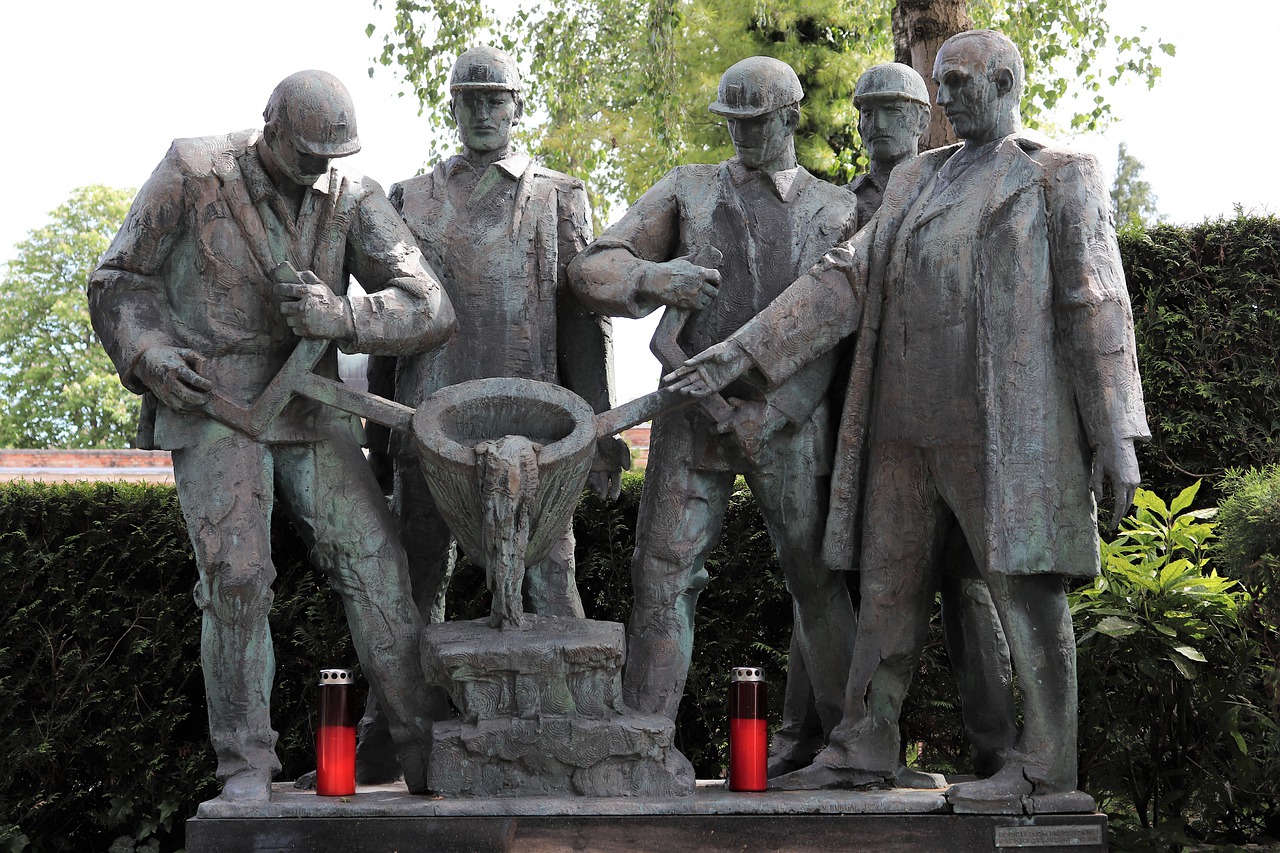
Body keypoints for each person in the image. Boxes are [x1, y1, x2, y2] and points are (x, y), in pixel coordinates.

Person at [669, 31, 1148, 799]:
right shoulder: (914, 180)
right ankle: (864, 742)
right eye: (942, 81)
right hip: (900, 424)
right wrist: (742, 353)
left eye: (958, 81)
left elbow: (1096, 304)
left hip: (1005, 427)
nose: (946, 95)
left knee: (1025, 588)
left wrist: (1116, 434)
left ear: (1003, 83)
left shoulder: (1060, 174)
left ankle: (1046, 763)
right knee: (886, 587)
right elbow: (844, 278)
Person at [88, 70, 456, 802]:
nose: (319, 168)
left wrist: (344, 317)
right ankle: (244, 763)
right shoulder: (193, 172)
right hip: (214, 405)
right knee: (237, 580)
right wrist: (149, 354)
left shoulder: (353, 198)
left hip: (311, 405)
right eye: (306, 152)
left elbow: (430, 305)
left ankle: (425, 748)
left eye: (331, 155)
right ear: (271, 126)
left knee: (377, 565)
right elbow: (117, 279)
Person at [568, 56, 860, 745]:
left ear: (791, 117)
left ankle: (856, 739)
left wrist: (777, 412)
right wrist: (653, 275)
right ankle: (644, 733)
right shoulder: (688, 190)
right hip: (687, 420)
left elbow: (838, 336)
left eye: (756, 124)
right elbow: (590, 269)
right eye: (732, 123)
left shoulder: (836, 210)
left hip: (788, 424)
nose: (741, 137)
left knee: (816, 578)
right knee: (663, 571)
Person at [357, 46, 627, 781]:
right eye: (469, 98)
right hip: (429, 424)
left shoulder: (558, 197)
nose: (482, 110)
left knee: (548, 575)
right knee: (417, 582)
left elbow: (582, 322)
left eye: (494, 97)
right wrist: (382, 434)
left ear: (517, 104)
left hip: (532, 434)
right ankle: (395, 736)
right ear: (451, 106)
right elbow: (389, 317)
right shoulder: (409, 199)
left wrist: (596, 429)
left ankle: (587, 724)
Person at [769, 61, 1016, 781]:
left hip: (947, 422)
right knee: (829, 590)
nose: (875, 124)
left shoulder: (950, 184)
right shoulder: (837, 206)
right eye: (864, 111)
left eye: (891, 111)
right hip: (858, 425)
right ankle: (813, 737)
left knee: (968, 593)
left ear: (921, 118)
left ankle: (996, 745)